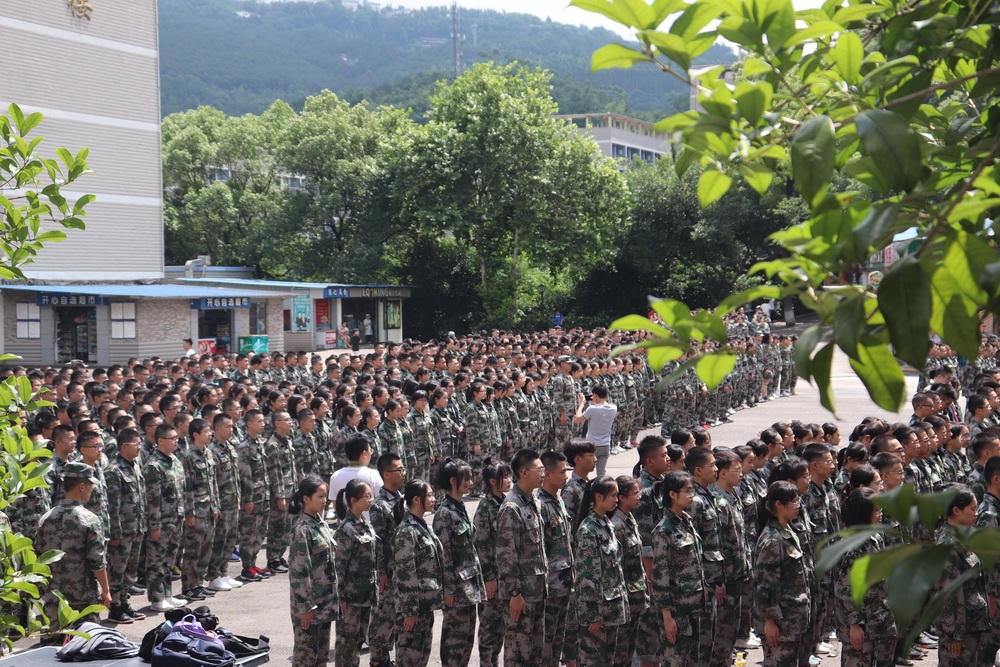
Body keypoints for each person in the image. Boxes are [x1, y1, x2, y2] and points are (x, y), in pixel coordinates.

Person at [35, 462, 112, 628]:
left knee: (53, 639)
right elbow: (96, 561)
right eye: (91, 485)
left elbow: (38, 554)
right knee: (84, 639)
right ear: (82, 486)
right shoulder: (89, 519)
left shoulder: (46, 517)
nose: (92, 490)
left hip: (53, 595)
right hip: (82, 597)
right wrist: (106, 590)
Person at [496, 449, 549, 665]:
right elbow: (506, 554)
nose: (544, 473)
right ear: (524, 473)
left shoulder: (532, 500)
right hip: (521, 595)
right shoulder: (512, 507)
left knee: (535, 654)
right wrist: (514, 593)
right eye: (540, 469)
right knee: (518, 655)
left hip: (537, 591)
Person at [433, 458, 486, 666]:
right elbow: (444, 557)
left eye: (471, 478)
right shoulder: (444, 513)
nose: (471, 483)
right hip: (456, 590)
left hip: (469, 587)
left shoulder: (460, 507)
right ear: (453, 481)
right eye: (466, 479)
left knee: (466, 643)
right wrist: (448, 591)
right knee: (454, 645)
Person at [754, 480, 812, 667]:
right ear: (779, 504)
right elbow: (766, 583)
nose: (798, 506)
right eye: (794, 501)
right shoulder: (773, 539)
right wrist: (769, 620)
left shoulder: (787, 530)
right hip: (781, 622)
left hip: (793, 618)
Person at [835, 488, 896, 666]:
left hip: (880, 619)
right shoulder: (853, 547)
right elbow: (846, 589)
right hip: (863, 625)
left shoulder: (875, 535)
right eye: (876, 510)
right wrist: (855, 624)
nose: (881, 513)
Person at [652, 470, 707, 665]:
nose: (692, 495)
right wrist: (667, 617)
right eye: (688, 491)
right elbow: (660, 577)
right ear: (673, 495)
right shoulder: (664, 530)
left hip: (693, 606)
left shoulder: (686, 522)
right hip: (677, 610)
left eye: (693, 490)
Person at [574, 475, 627, 666]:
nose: (616, 500)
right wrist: (593, 616)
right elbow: (587, 577)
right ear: (598, 497)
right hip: (597, 613)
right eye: (613, 495)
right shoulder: (588, 530)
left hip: (610, 609)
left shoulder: (606, 523)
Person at [392, 479, 445, 667]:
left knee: (421, 659)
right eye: (429, 495)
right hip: (412, 610)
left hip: (425, 606)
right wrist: (409, 611)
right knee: (409, 659)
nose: (434, 498)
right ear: (416, 499)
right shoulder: (407, 531)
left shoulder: (422, 526)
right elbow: (406, 574)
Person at [288, 475, 340, 667]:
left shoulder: (320, 523)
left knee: (321, 658)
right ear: (306, 498)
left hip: (324, 603)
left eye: (325, 496)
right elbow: (299, 572)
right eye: (320, 496)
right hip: (310, 607)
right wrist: (305, 607)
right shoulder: (302, 530)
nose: (325, 501)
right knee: (305, 658)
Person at [937, 484, 990, 665]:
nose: (976, 513)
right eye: (972, 509)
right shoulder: (947, 546)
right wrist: (955, 635)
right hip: (960, 632)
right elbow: (949, 594)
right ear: (956, 511)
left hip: (971, 625)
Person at [334, 478, 379, 667]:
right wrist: (341, 597)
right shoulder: (346, 529)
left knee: (359, 642)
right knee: (347, 647)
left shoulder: (365, 524)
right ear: (353, 500)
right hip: (351, 599)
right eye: (366, 496)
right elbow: (338, 567)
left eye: (371, 495)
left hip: (366, 596)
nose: (371, 499)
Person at [537, 449, 575, 667]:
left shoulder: (558, 500)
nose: (565, 476)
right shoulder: (540, 505)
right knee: (546, 645)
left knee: (558, 644)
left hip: (564, 584)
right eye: (561, 472)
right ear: (547, 474)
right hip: (550, 588)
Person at [104, 429, 147, 623]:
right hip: (121, 531)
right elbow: (112, 505)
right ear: (123, 446)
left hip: (136, 527)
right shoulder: (113, 470)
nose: (139, 447)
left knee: (130, 571)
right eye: (136, 444)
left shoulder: (135, 465)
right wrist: (114, 532)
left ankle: (124, 602)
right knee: (117, 570)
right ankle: (115, 608)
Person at [473, 457, 512, 667]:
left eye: (509, 476)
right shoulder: (485, 508)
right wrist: (488, 578)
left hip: (506, 576)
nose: (509, 480)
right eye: (504, 477)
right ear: (492, 481)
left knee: (502, 628)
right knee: (489, 627)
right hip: (492, 578)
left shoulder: (507, 503)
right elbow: (482, 545)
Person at [144, 423, 186, 611]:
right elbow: (152, 499)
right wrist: (154, 524)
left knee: (170, 560)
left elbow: (181, 490)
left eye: (177, 438)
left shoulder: (175, 461)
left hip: (176, 519)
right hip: (161, 521)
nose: (176, 441)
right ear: (160, 441)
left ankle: (167, 594)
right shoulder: (154, 466)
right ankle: (156, 598)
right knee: (156, 561)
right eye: (172, 438)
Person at [368, 453, 405, 667]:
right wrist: (381, 572)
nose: (403, 473)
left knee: (398, 617)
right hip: (389, 571)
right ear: (386, 474)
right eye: (398, 470)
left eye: (403, 469)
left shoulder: (402, 500)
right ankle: (378, 659)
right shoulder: (380, 505)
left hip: (403, 569)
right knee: (383, 616)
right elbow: (378, 542)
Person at [179, 418, 220, 601]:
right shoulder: (188, 457)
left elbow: (213, 483)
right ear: (195, 435)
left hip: (209, 509)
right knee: (193, 551)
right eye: (206, 431)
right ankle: (188, 586)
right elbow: (187, 487)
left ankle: (199, 584)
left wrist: (215, 505)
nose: (210, 434)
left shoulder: (209, 453)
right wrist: (189, 512)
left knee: (206, 549)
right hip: (196, 511)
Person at [609, 474, 646, 667]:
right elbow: (616, 568)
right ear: (622, 498)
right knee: (620, 652)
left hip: (635, 596)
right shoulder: (617, 526)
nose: (639, 497)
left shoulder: (630, 519)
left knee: (629, 652)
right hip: (624, 599)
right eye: (635, 493)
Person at [573, 385, 617, 476]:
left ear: (595, 395)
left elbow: (577, 419)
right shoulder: (613, 408)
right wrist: (596, 401)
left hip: (592, 445)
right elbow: (602, 408)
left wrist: (581, 404)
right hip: (605, 444)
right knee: (601, 473)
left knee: (583, 471)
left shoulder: (592, 409)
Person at [328, 433, 382, 509]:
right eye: (370, 450)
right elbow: (381, 503)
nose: (371, 453)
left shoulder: (335, 476)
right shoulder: (374, 475)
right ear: (364, 453)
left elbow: (336, 506)